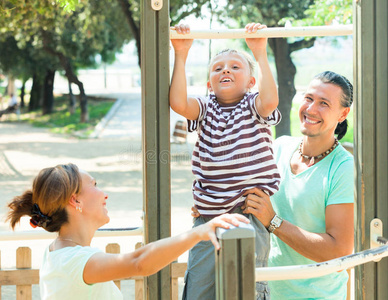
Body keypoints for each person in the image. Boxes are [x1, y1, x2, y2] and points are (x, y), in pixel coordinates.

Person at [6, 163, 249, 300]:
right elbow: (138, 262)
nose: (104, 194)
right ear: (74, 201)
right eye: (95, 185)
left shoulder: (61, 252)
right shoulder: (73, 261)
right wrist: (200, 232)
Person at [170, 22, 281, 299]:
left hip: (248, 214)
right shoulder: (206, 107)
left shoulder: (253, 105)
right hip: (208, 218)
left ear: (250, 81)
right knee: (199, 287)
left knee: (245, 289)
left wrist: (259, 53)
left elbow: (269, 102)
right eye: (218, 68)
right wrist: (181, 54)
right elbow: (179, 103)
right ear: (209, 83)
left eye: (235, 66)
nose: (226, 70)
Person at [241, 71, 354, 299]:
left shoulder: (343, 167)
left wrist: (274, 222)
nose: (311, 109)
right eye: (308, 98)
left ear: (343, 114)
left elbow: (338, 251)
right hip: (266, 291)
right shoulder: (279, 147)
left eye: (324, 103)